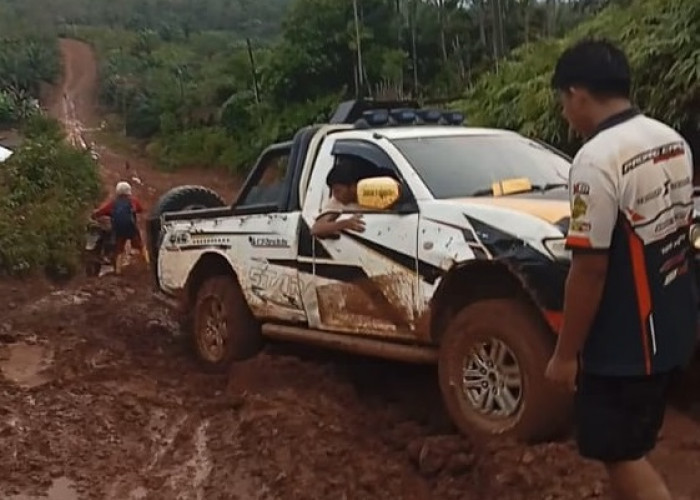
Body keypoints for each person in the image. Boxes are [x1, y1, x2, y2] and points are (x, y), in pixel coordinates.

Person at [545, 39, 697, 500]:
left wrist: (565, 354)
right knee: (628, 443)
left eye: (563, 103)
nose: (566, 116)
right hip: (672, 322)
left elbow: (589, 269)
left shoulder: (596, 159)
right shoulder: (670, 139)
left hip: (626, 344)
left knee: (619, 454)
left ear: (578, 94)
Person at [92, 181, 149, 275]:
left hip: (119, 229)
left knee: (119, 249)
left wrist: (94, 215)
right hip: (131, 228)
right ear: (129, 191)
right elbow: (140, 209)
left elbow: (101, 212)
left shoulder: (113, 203)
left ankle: (118, 270)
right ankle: (148, 264)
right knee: (140, 246)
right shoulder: (133, 201)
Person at [311, 156, 369, 237]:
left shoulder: (376, 195)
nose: (335, 195)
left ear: (353, 187)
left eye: (338, 190)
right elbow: (316, 228)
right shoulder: (337, 202)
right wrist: (344, 224)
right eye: (333, 191)